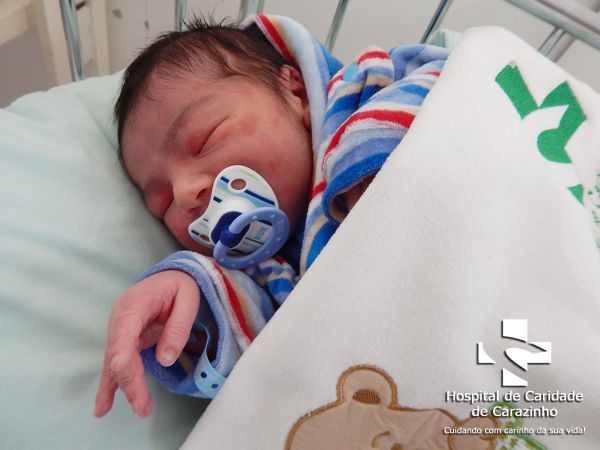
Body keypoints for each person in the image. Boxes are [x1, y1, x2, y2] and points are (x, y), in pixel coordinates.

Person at [94, 14, 448, 418]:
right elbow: (267, 344)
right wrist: (190, 303)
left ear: (295, 91)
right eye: (162, 203)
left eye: (204, 138)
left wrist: (365, 160)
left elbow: (458, 81)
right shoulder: (270, 274)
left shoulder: (367, 89)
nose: (184, 194)